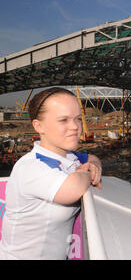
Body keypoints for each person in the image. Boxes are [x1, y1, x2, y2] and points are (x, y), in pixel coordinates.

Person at [0, 87, 102, 260]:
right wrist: (87, 171)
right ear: (38, 126)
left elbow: (93, 158)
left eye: (77, 119)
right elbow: (72, 189)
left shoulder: (68, 155)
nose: (75, 127)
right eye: (63, 120)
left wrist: (91, 165)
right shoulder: (31, 167)